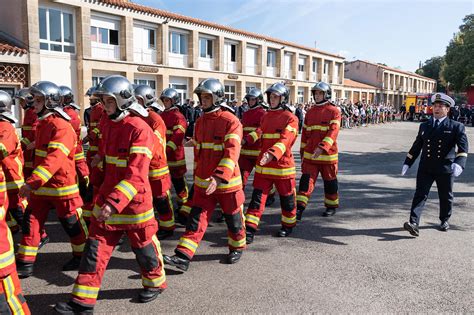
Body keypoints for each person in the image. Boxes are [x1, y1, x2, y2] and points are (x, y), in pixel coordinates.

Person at [54, 75, 167, 314]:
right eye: (103, 101)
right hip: (108, 199)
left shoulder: (140, 130)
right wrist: (99, 160)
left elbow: (136, 174)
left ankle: (155, 282)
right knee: (94, 250)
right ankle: (82, 303)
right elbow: (107, 153)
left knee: (144, 248)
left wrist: (114, 203)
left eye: (108, 101)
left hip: (134, 205)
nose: (103, 106)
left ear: (122, 100)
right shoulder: (107, 122)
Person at [163, 78, 245, 271]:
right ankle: (183, 256)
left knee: (233, 219)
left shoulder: (230, 121)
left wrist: (218, 177)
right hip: (204, 184)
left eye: (207, 97)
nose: (203, 100)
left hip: (227, 184)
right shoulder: (200, 121)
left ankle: (237, 246)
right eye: (202, 96)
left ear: (216, 97)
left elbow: (231, 152)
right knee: (196, 220)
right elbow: (202, 152)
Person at [16, 81, 88, 278]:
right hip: (42, 187)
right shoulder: (44, 123)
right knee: (31, 222)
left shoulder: (61, 126)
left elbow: (55, 158)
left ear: (49, 102)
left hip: (61, 186)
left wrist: (32, 181)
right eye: (34, 100)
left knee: (71, 223)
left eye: (38, 100)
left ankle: (82, 256)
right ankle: (25, 262)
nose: (34, 104)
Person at [401, 93, 468, 236]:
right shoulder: (425, 125)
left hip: (445, 168)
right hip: (426, 167)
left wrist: (459, 163)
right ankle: (414, 223)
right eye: (435, 106)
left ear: (447, 109)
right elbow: (417, 146)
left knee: (445, 196)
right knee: (420, 194)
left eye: (440, 106)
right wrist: (408, 162)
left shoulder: (456, 126)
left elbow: (463, 148)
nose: (436, 109)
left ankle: (444, 219)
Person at [244, 83, 299, 244]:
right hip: (264, 166)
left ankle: (288, 225)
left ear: (283, 98)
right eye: (271, 97)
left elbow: (286, 139)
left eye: (275, 97)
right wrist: (245, 140)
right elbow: (259, 131)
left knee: (287, 199)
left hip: (283, 167)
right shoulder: (266, 116)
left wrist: (272, 154)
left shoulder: (291, 118)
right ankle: (250, 229)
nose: (272, 100)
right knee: (257, 199)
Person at [0, 91, 31, 314]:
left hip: (13, 179)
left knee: (19, 212)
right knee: (12, 216)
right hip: (8, 180)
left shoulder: (5, 127)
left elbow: (3, 148)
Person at [135, 85, 175, 240]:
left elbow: (155, 142)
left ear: (145, 100)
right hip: (142, 165)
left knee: (161, 199)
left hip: (157, 167)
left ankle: (168, 226)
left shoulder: (155, 119)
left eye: (138, 99)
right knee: (144, 198)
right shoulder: (136, 116)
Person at [296, 82, 341, 220]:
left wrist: (322, 148)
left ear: (326, 94)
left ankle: (331, 206)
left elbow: (333, 132)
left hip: (328, 156)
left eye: (320, 93)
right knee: (305, 183)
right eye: (315, 93)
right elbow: (304, 135)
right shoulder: (310, 112)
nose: (317, 95)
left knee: (330, 182)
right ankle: (299, 208)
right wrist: (302, 152)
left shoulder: (334, 111)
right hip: (311, 157)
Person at [159, 88, 189, 215]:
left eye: (167, 100)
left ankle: (184, 205)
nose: (165, 102)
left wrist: (167, 149)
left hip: (176, 157)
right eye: (164, 100)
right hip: (163, 156)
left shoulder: (178, 116)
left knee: (179, 183)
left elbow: (178, 135)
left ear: (173, 101)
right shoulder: (161, 115)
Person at [0, 91, 26, 234]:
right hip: (6, 175)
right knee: (9, 208)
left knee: (18, 208)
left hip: (11, 176)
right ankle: (13, 229)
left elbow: (2, 148)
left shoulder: (5, 126)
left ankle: (38, 235)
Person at [59, 86, 90, 202]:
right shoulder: (66, 112)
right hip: (72, 148)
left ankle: (86, 194)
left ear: (65, 99)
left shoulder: (70, 114)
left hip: (75, 149)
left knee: (82, 173)